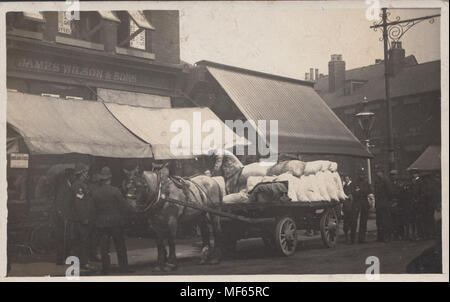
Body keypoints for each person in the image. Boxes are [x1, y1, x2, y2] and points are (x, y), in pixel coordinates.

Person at [92, 166, 132, 274]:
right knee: (120, 246)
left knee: (104, 248)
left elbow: (93, 209)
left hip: (101, 223)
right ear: (110, 179)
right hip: (116, 223)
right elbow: (124, 207)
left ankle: (106, 269)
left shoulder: (95, 192)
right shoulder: (115, 191)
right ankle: (124, 268)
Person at [71, 163, 96, 270]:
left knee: (82, 241)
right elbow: (79, 203)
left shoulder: (82, 184)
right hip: (82, 219)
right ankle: (84, 263)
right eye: (85, 172)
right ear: (81, 173)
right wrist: (83, 218)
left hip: (84, 218)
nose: (87, 174)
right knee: (83, 241)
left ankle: (80, 262)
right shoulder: (78, 186)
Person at [52, 168, 75, 265]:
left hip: (65, 215)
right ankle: (60, 258)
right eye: (73, 175)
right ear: (69, 176)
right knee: (62, 238)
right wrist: (63, 215)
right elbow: (60, 203)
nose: (74, 177)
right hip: (61, 217)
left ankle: (63, 257)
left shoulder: (68, 185)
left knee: (65, 238)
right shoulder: (63, 186)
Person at [350, 172, 372, 244]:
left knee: (363, 221)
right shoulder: (354, 182)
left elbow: (369, 191)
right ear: (358, 175)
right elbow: (353, 192)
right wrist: (361, 192)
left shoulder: (366, 183)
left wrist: (360, 191)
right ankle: (352, 239)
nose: (361, 176)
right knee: (353, 220)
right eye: (360, 174)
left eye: (363, 174)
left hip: (364, 203)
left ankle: (362, 239)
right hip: (356, 202)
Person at [374, 170, 394, 242]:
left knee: (386, 221)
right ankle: (380, 237)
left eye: (379, 171)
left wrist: (388, 201)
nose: (377, 173)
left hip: (385, 203)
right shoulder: (377, 181)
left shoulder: (386, 181)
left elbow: (390, 192)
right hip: (379, 204)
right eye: (377, 172)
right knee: (379, 221)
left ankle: (387, 236)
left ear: (382, 172)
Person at [342, 175, 354, 244]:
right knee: (346, 222)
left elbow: (352, 195)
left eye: (347, 178)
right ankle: (346, 237)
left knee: (350, 221)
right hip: (346, 206)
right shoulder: (344, 186)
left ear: (349, 179)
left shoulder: (351, 185)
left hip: (351, 206)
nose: (346, 180)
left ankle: (350, 237)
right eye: (345, 179)